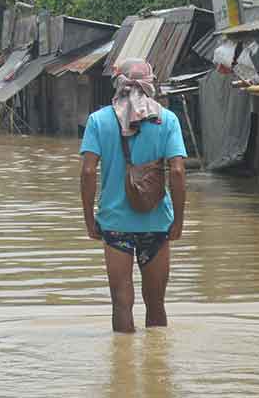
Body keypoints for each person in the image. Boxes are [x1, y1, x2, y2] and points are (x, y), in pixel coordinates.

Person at [80, 59, 187, 334]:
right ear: (151, 84)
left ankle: (122, 368)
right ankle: (158, 368)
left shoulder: (98, 120)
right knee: (156, 304)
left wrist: (89, 219)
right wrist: (178, 221)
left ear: (118, 83)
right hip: (157, 222)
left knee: (121, 303)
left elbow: (89, 171)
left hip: (115, 224)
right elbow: (177, 171)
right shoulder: (167, 120)